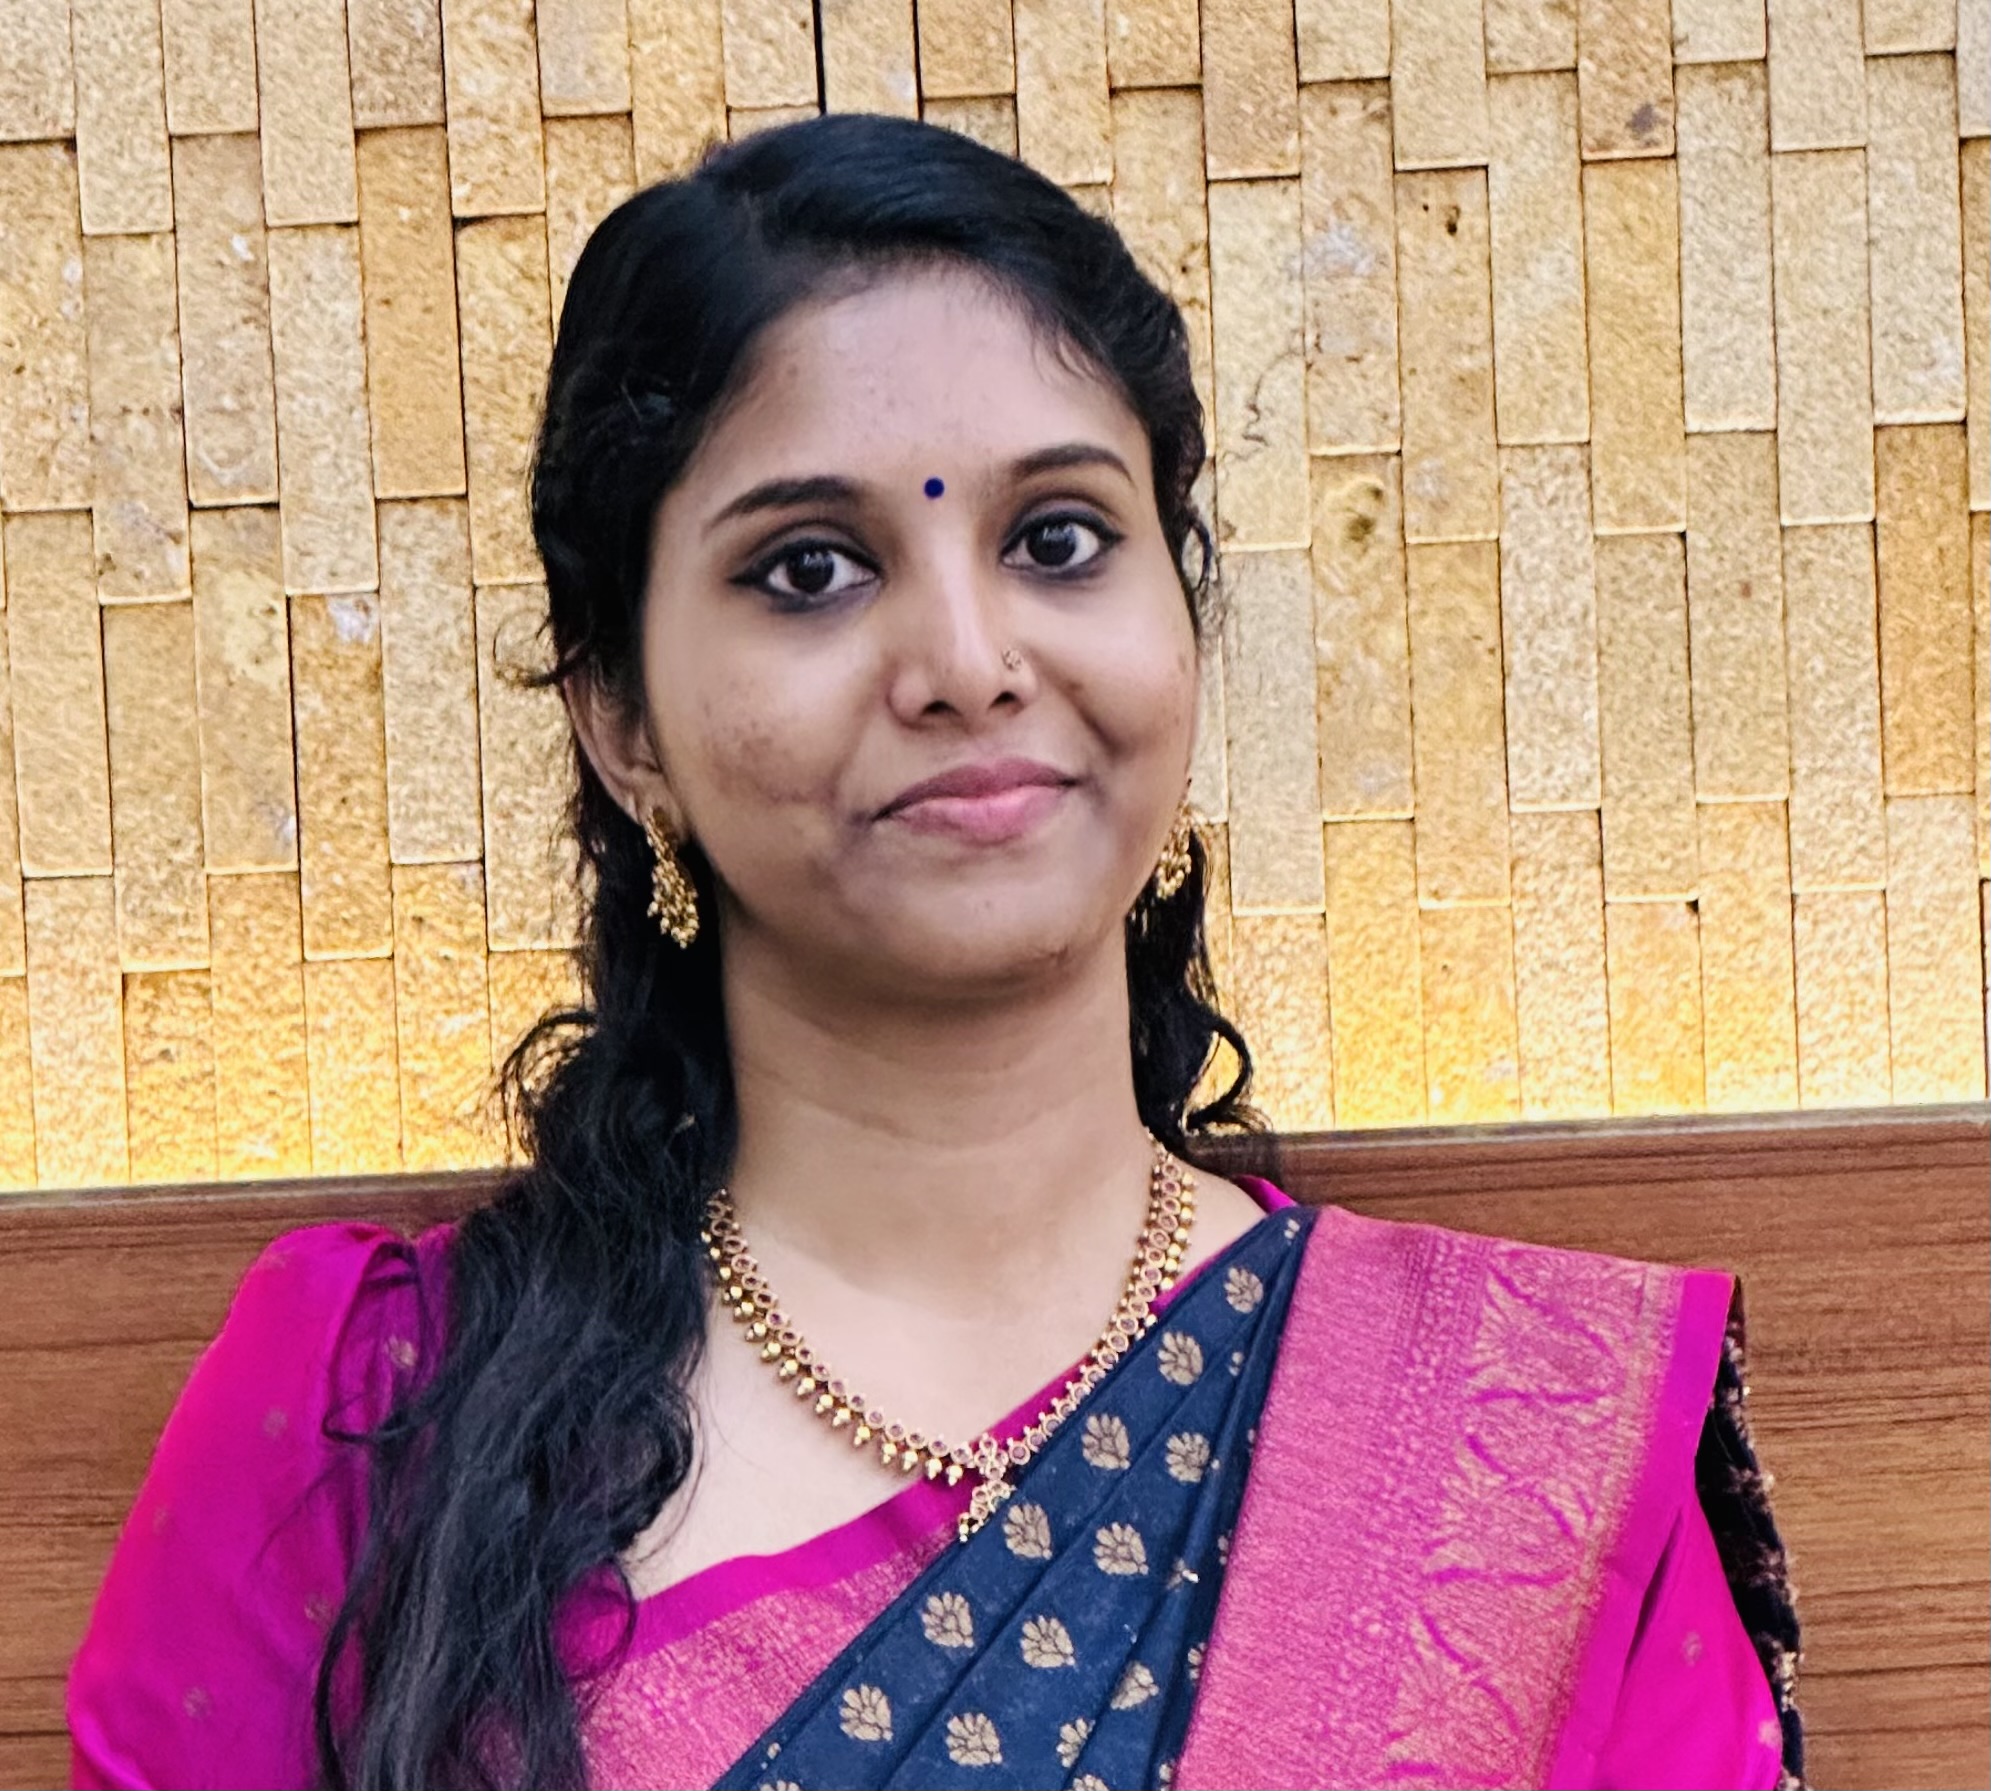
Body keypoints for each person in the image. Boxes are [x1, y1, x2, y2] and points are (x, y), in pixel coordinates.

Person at [66, 114, 1803, 1791]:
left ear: (1180, 621)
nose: (969, 663)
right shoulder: (376, 1414)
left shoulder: (1517, 1436)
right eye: (812, 568)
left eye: (1058, 541)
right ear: (622, 720)